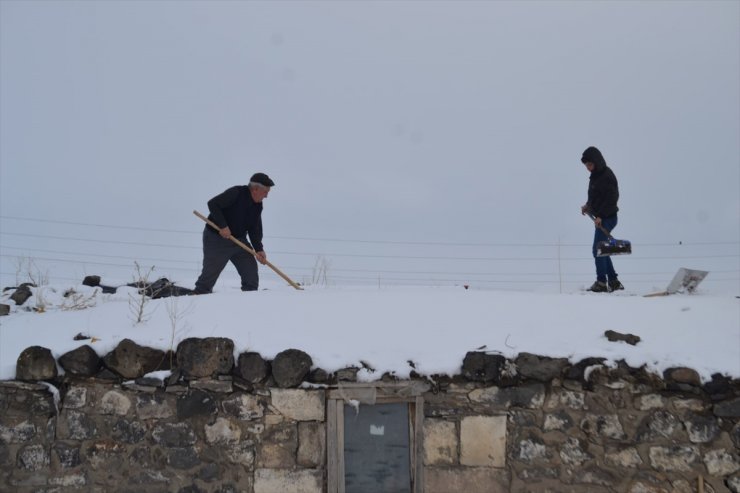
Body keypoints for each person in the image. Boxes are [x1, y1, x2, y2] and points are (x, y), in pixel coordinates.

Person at [194, 173, 274, 294]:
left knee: (250, 274)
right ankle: (198, 295)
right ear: (255, 189)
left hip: (239, 241)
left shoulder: (258, 205)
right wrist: (223, 226)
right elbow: (213, 204)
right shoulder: (236, 193)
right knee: (207, 280)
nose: (267, 196)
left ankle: (250, 300)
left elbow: (254, 228)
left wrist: (259, 249)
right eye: (265, 192)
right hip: (217, 239)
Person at [580, 146, 624, 293]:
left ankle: (601, 282)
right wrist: (588, 206)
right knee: (602, 249)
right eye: (586, 166)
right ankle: (614, 281)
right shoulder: (595, 176)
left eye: (590, 165)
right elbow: (595, 197)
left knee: (597, 249)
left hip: (608, 218)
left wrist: (601, 216)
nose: (588, 168)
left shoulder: (607, 175)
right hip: (600, 218)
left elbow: (611, 198)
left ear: (597, 161)